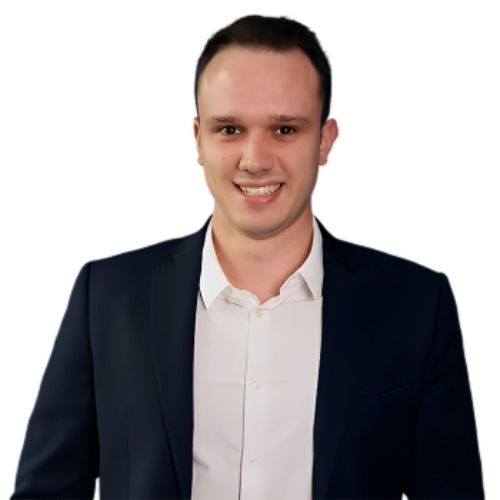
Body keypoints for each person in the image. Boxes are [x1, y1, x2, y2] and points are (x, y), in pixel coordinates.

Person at [10, 14, 484, 500]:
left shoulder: (414, 307)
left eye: (285, 129)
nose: (255, 160)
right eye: (230, 128)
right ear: (198, 139)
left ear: (324, 140)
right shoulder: (109, 298)